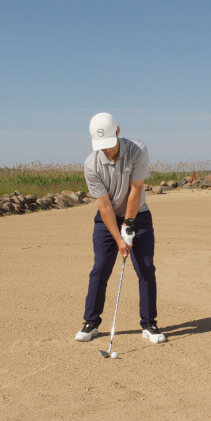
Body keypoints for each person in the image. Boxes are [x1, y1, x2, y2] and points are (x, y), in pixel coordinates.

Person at [75, 112, 166, 344]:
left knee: (145, 268)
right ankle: (91, 322)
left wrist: (129, 223)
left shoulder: (137, 150)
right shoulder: (91, 164)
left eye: (109, 144)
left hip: (139, 215)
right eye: (101, 147)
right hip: (107, 220)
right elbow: (104, 205)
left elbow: (136, 189)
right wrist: (119, 239)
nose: (107, 150)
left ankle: (149, 324)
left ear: (118, 131)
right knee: (101, 268)